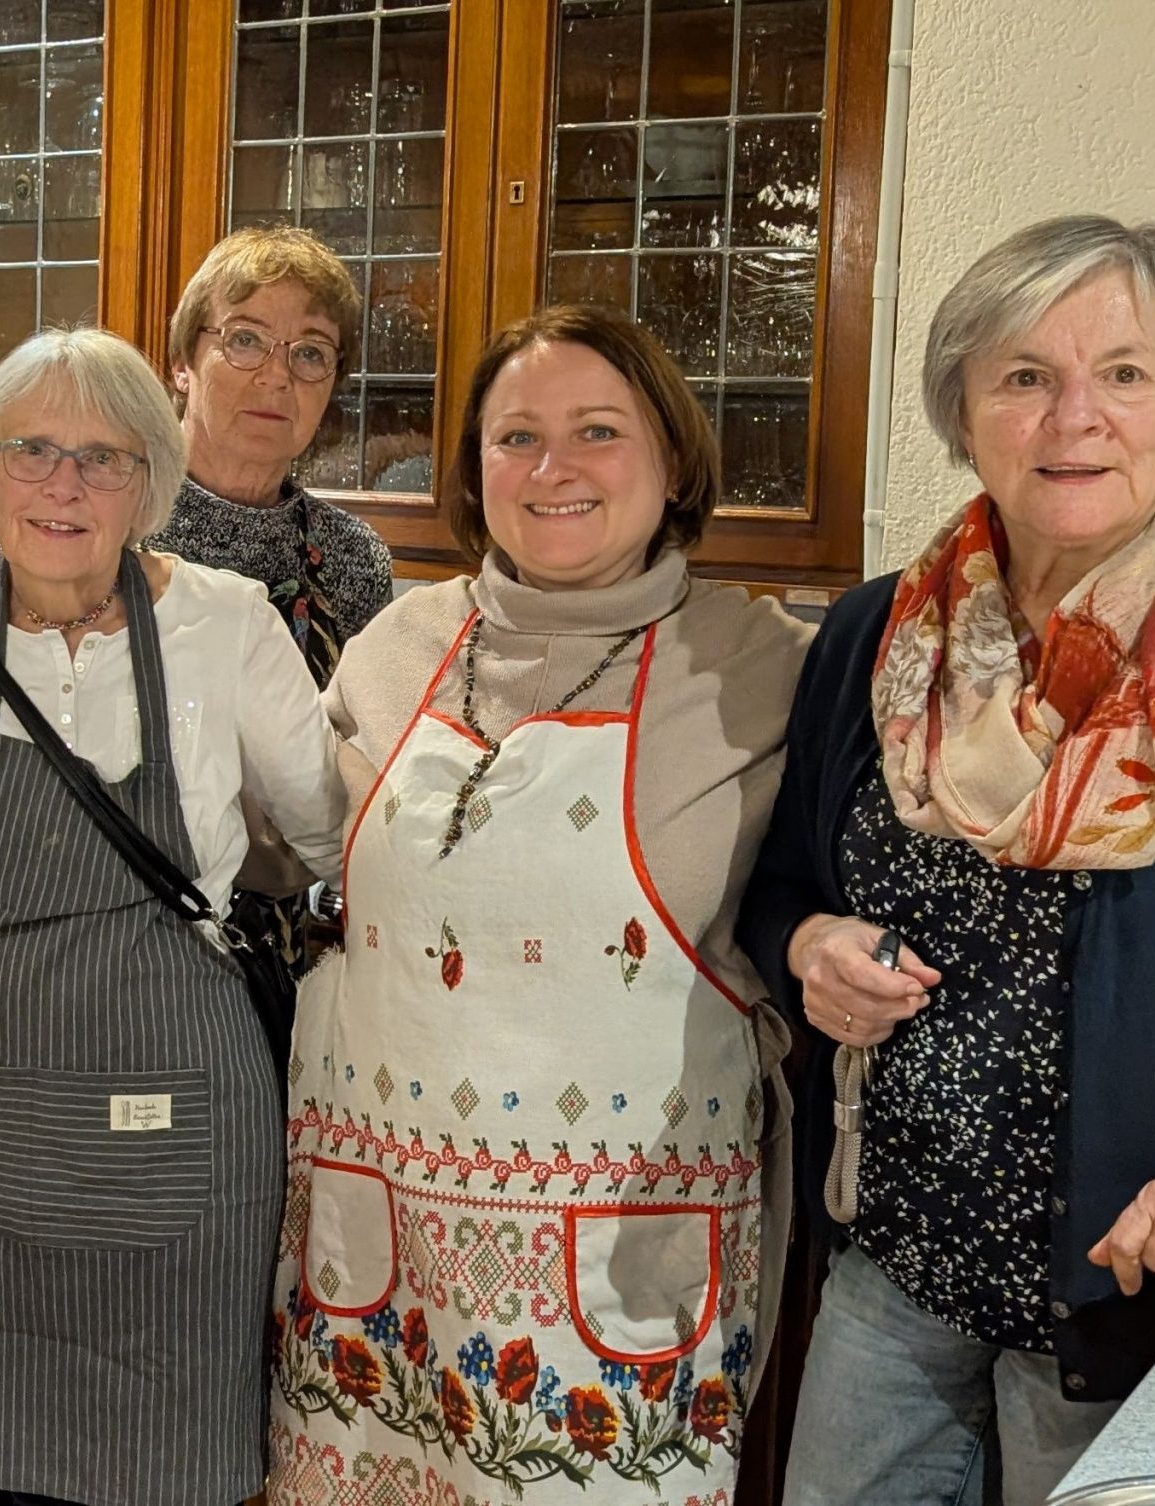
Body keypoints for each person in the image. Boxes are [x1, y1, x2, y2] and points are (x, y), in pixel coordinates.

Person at [740, 215, 1155, 1506]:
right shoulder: (877, 634)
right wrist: (810, 945)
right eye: (1025, 375)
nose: (1074, 418)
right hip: (896, 1266)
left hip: (1143, 1290)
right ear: (966, 409)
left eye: (1125, 372)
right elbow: (784, 888)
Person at [270, 304, 811, 1504]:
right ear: (472, 470)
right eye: (515, 437)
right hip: (380, 1250)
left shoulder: (764, 664)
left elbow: (825, 902)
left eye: (598, 432)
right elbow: (284, 853)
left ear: (672, 462)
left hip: (618, 1264)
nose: (551, 469)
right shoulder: (393, 643)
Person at [0, 326, 348, 1506]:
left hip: (179, 1124)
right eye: (31, 450)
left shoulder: (225, 622)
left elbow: (336, 841)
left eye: (104, 457)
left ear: (151, 483)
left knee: (176, 1469)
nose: (63, 486)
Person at [143, 225, 394, 1013]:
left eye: (310, 352)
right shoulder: (106, 532)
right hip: (136, 955)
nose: (277, 377)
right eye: (245, 340)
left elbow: (368, 767)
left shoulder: (353, 562)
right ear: (182, 364)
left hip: (305, 976)